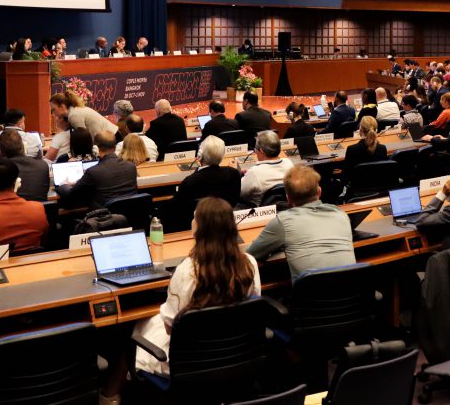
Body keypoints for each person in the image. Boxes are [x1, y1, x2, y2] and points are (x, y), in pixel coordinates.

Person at [129, 198, 261, 380]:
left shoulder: (187, 270)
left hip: (191, 363)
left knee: (141, 325)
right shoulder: (249, 263)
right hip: (237, 353)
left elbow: (170, 328)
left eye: (194, 218)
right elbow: (252, 308)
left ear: (199, 228)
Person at [246, 165, 356, 281]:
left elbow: (251, 254)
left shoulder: (283, 221)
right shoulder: (341, 215)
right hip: (356, 294)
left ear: (288, 198)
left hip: (310, 297)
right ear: (319, 191)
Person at [171, 136, 241, 229]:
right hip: (225, 223)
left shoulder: (189, 182)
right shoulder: (233, 173)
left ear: (200, 155)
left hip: (197, 227)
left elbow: (177, 210)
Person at [56, 131, 138, 209]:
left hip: (103, 219)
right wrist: (79, 181)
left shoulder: (93, 172)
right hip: (130, 216)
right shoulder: (131, 167)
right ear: (115, 146)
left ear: (97, 148)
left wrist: (63, 184)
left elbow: (71, 194)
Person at [239, 131, 293, 206]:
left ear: (261, 151)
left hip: (259, 213)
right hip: (286, 208)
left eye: (255, 150)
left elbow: (239, 193)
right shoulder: (289, 163)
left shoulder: (254, 173)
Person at [0, 129, 49, 201]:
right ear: (23, 147)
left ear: (0, 151)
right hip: (39, 210)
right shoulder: (43, 166)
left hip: (11, 210)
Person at [50, 90, 118, 138]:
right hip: (112, 135)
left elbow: (83, 140)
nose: (52, 113)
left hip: (113, 137)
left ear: (62, 106)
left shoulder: (74, 115)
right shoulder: (74, 111)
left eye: (53, 109)